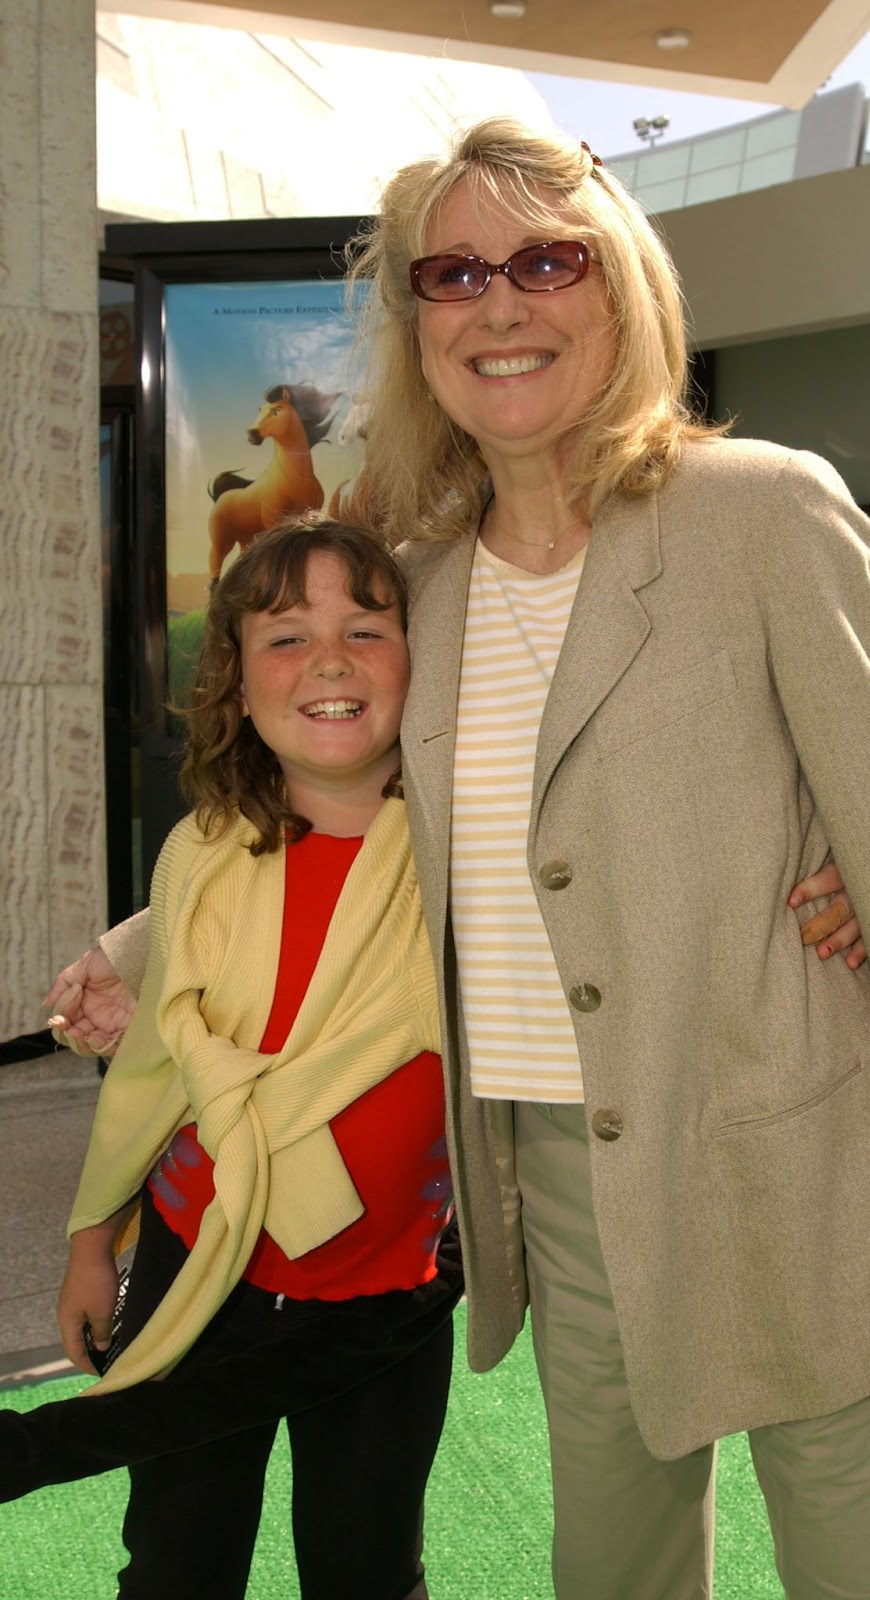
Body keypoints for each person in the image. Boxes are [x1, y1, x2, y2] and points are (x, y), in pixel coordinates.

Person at [47, 119, 870, 1600]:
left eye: (547, 259)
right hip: (567, 1187)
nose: (500, 303)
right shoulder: (419, 579)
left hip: (807, 1159)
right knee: (614, 1575)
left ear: (624, 291)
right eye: (454, 273)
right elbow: (329, 814)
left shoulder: (768, 513)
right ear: (417, 327)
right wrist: (137, 950)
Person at [14, 516, 460, 1600]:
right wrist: (91, 1242)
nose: (331, 661)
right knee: (176, 1554)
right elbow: (155, 1073)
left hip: (384, 1289)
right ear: (240, 683)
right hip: (195, 1263)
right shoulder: (203, 855)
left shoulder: (472, 859)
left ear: (424, 660)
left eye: (367, 627)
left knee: (365, 1565)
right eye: (286, 638)